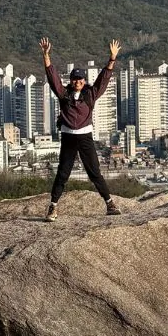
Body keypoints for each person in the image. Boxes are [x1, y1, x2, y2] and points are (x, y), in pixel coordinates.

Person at [39, 36, 121, 221]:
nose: (77, 81)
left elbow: (103, 80)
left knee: (95, 172)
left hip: (85, 137)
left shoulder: (90, 94)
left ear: (84, 81)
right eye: (75, 79)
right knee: (62, 173)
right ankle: (53, 207)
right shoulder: (64, 94)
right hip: (68, 138)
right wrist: (46, 55)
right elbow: (52, 78)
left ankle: (109, 203)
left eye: (80, 79)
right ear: (71, 80)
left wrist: (112, 59)